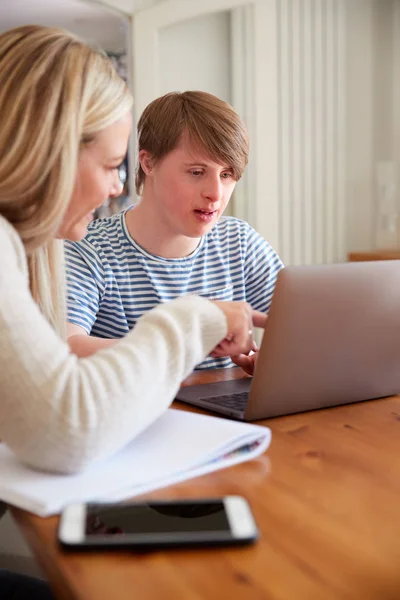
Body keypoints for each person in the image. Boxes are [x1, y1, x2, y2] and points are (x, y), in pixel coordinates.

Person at [65, 91, 284, 374]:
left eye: (226, 175)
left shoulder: (239, 242)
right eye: (196, 172)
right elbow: (66, 347)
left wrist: (275, 358)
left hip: (223, 415)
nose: (215, 194)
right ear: (149, 163)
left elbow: (303, 326)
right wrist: (187, 336)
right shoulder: (90, 249)